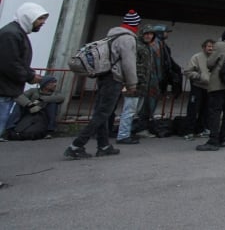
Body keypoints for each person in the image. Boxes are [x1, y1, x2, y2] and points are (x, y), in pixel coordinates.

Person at [64, 9, 139, 159]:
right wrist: (132, 83)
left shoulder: (112, 35)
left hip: (104, 76)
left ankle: (103, 145)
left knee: (103, 112)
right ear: (136, 25)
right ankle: (76, 145)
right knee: (102, 113)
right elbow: (129, 63)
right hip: (115, 78)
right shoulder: (128, 39)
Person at [0, 2, 47, 139]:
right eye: (39, 18)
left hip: (6, 89)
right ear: (28, 17)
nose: (42, 22)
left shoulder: (16, 33)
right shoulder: (11, 34)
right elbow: (9, 63)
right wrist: (30, 76)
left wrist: (29, 74)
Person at [196, 28, 225, 151]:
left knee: (215, 112)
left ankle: (213, 141)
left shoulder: (220, 45)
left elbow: (209, 63)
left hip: (218, 85)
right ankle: (223, 139)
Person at [116, 24, 155, 145]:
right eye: (146, 33)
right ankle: (123, 135)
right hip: (133, 83)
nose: (149, 36)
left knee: (134, 111)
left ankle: (127, 132)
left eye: (151, 34)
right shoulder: (137, 46)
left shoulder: (148, 47)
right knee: (129, 110)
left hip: (142, 85)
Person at [6, 75, 63, 139]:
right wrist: (30, 105)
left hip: (43, 114)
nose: (55, 84)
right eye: (52, 82)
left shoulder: (56, 93)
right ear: (45, 84)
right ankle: (10, 128)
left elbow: (60, 98)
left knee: (53, 104)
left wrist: (41, 99)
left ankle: (49, 130)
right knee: (19, 104)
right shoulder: (33, 91)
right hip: (30, 110)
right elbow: (19, 97)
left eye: (55, 82)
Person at [182, 39, 214, 140]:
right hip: (197, 87)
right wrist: (200, 76)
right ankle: (189, 132)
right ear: (204, 47)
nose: (211, 48)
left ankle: (200, 130)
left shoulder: (215, 59)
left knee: (206, 110)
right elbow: (187, 71)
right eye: (209, 46)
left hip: (209, 88)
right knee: (193, 109)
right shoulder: (196, 57)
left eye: (213, 46)